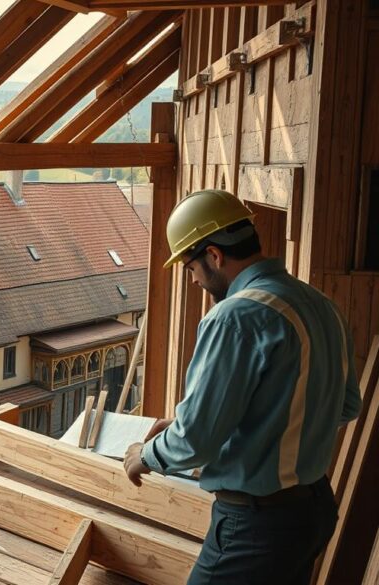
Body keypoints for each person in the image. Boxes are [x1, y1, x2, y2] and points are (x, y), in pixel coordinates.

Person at [122, 189, 361, 585]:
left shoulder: (235, 317)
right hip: (313, 510)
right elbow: (345, 404)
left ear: (214, 255)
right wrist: (265, 433)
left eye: (190, 266)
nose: (194, 279)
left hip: (257, 526)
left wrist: (144, 455)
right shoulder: (320, 304)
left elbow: (195, 440)